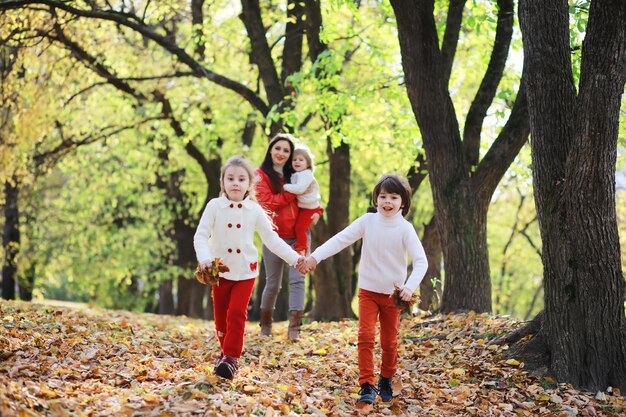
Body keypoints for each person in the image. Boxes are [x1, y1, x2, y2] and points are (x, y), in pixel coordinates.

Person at [297, 174, 428, 405]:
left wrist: (409, 287)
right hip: (368, 290)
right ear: (376, 198)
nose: (387, 201)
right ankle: (366, 384)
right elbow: (340, 240)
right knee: (365, 336)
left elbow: (421, 261)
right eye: (383, 196)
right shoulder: (367, 221)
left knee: (389, 342)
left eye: (393, 197)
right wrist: (315, 257)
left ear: (403, 202)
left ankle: (386, 378)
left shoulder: (405, 229)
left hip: (393, 296)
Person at [193, 155, 302, 380]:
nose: (235, 183)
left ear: (249, 184)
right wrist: (204, 258)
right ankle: (225, 354)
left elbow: (271, 239)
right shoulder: (214, 206)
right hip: (219, 272)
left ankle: (232, 358)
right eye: (230, 178)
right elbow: (201, 235)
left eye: (241, 179)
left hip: (245, 271)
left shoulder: (254, 210)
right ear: (222, 182)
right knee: (221, 319)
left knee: (236, 313)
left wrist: (294, 259)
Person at [255, 133, 318, 341]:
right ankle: (265, 325)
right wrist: (292, 192)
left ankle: (295, 328)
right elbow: (267, 202)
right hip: (274, 237)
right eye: (278, 148)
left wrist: (319, 211)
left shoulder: (297, 173)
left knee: (298, 280)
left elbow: (311, 197)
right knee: (273, 283)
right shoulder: (261, 175)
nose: (281, 153)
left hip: (298, 235)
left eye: (286, 150)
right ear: (270, 149)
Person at [282, 147, 324, 255]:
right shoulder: (297, 174)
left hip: (309, 208)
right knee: (299, 226)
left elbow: (299, 189)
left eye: (301, 160)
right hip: (305, 206)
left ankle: (302, 247)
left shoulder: (306, 174)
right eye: (294, 160)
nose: (297, 162)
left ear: (308, 164)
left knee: (300, 228)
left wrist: (285, 187)